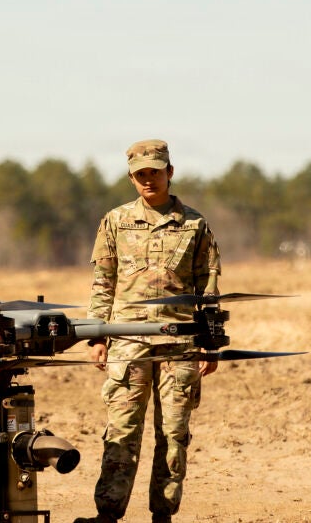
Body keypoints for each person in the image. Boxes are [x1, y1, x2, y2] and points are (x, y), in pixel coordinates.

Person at [74, 139, 221, 523]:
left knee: (173, 434)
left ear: (169, 172)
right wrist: (96, 336)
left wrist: (210, 344)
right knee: (121, 432)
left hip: (179, 343)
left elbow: (208, 287)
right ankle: (108, 514)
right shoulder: (116, 221)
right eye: (141, 175)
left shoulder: (194, 224)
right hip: (127, 341)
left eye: (155, 172)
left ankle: (163, 514)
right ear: (131, 178)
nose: (148, 180)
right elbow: (103, 283)